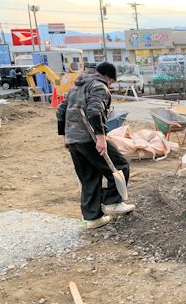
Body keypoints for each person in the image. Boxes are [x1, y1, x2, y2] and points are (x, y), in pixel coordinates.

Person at [56, 62, 135, 229]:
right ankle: (112, 201)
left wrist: (65, 137)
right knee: (119, 165)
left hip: (73, 139)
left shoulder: (76, 86)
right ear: (107, 76)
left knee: (89, 176)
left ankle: (93, 218)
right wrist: (101, 138)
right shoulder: (99, 86)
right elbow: (94, 110)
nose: (110, 86)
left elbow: (61, 110)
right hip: (88, 137)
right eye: (111, 82)